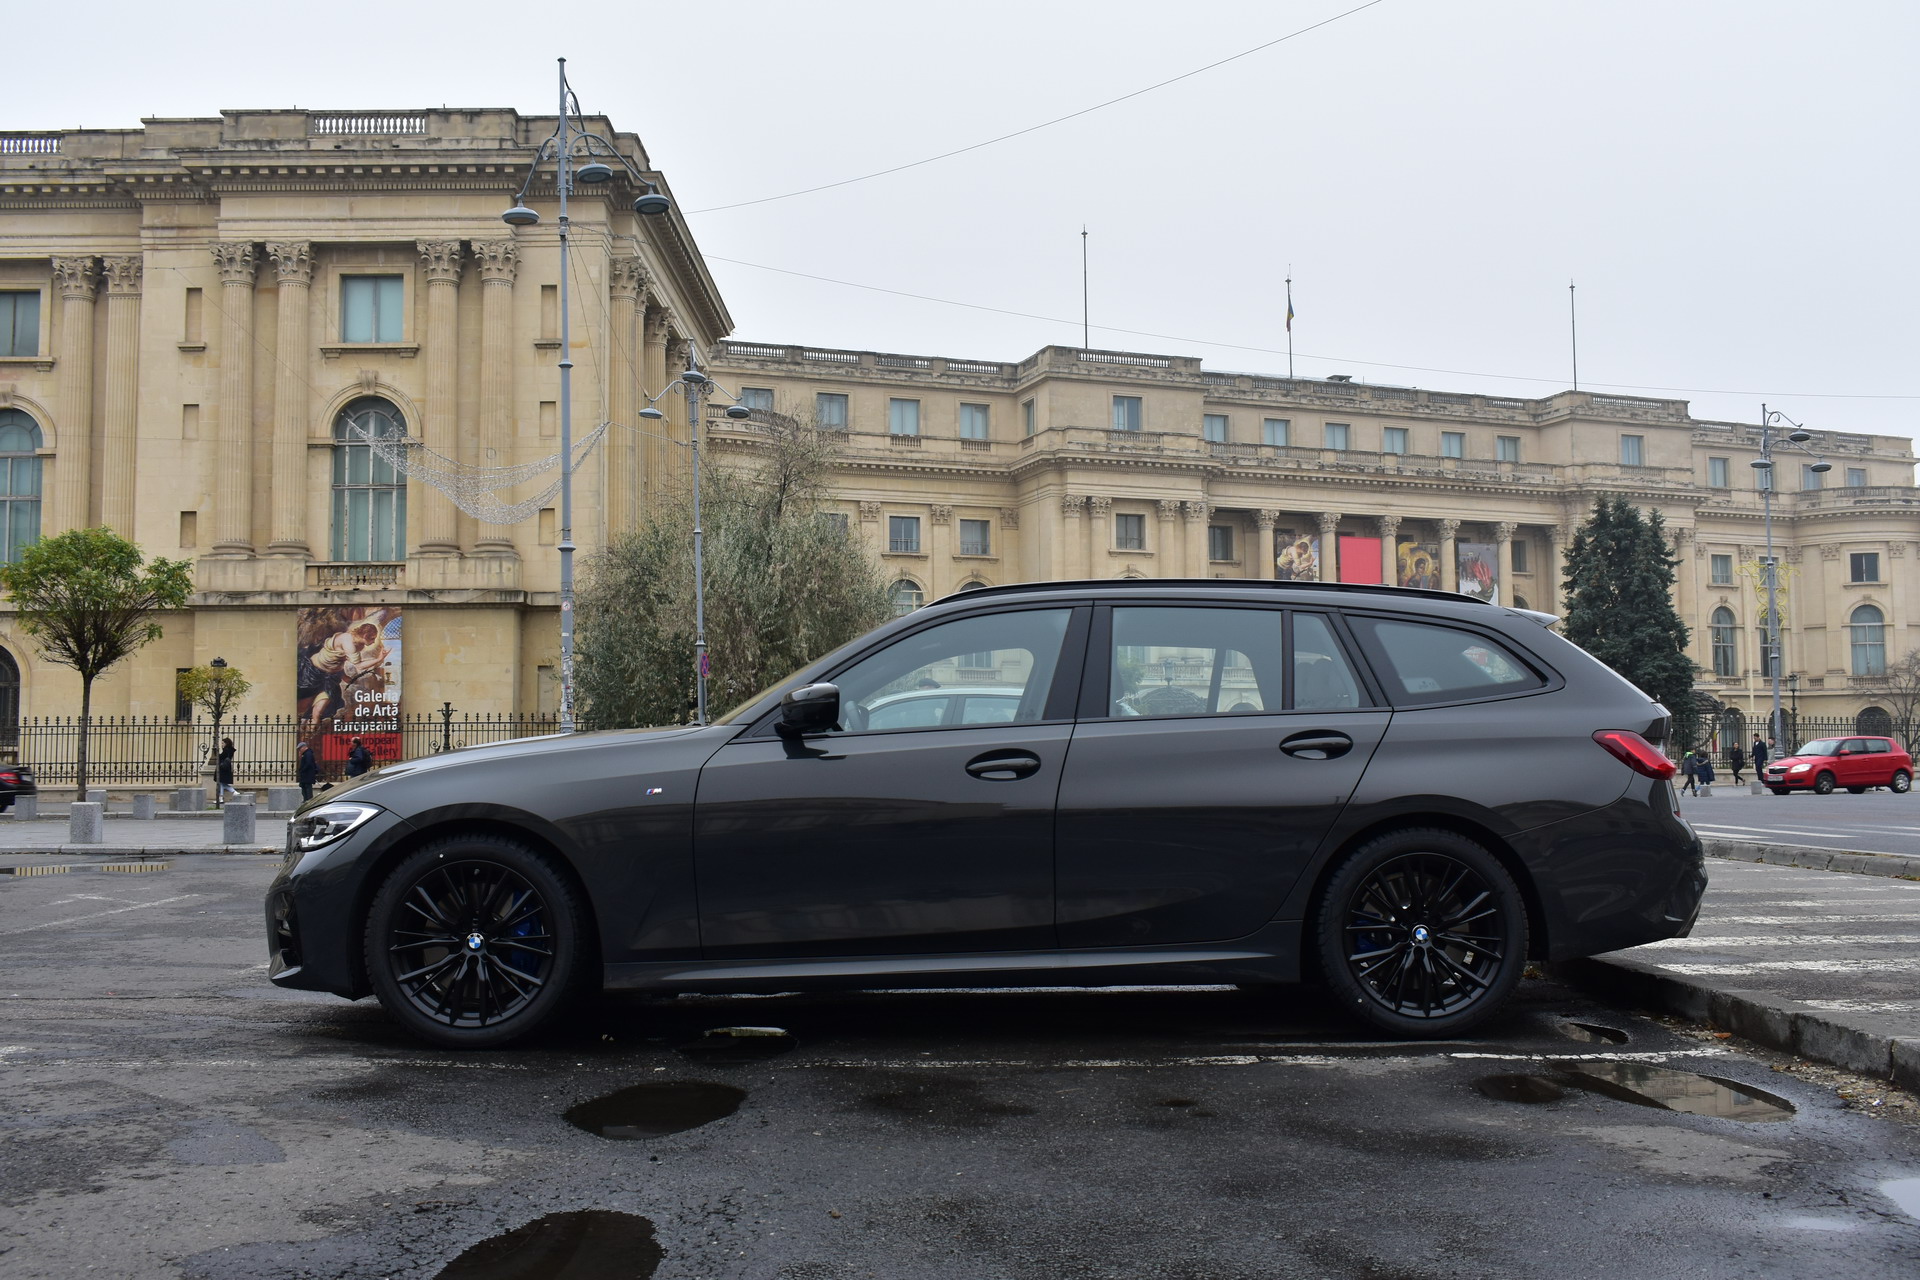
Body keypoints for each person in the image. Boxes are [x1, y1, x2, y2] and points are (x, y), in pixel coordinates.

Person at [215, 737, 238, 803]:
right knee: (221, 783)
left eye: (223, 743)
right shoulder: (229, 750)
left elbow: (220, 757)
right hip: (226, 768)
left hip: (223, 768)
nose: (222, 744)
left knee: (221, 783)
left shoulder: (226, 750)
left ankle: (234, 792)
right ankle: (221, 798)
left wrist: (216, 752)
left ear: (226, 743)